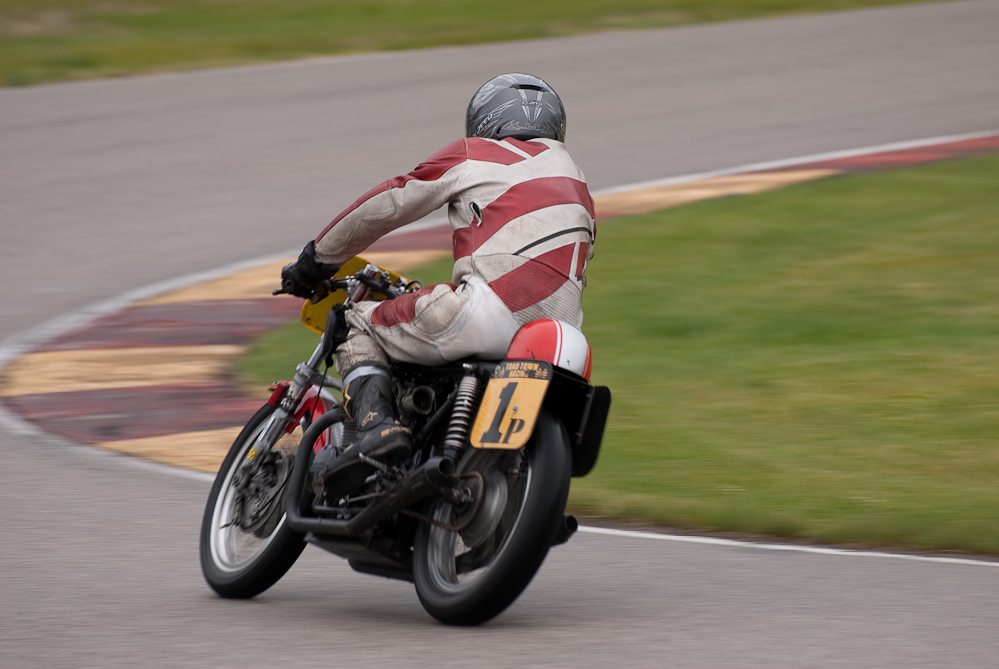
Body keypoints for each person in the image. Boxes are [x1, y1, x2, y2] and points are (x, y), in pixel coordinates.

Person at [280, 73, 595, 495]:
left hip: (485, 311)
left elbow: (390, 201)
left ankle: (376, 427)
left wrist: (318, 258)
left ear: (486, 119)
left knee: (355, 320)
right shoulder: (578, 183)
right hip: (558, 340)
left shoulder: (477, 153)